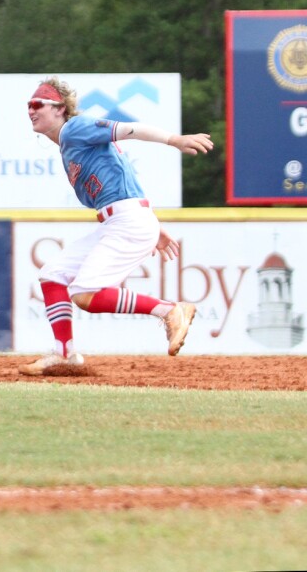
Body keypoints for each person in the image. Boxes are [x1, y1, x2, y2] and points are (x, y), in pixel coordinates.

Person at [21, 77, 213, 375]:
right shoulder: (68, 146)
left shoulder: (75, 128)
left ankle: (170, 310)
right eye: (28, 106)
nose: (31, 110)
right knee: (52, 275)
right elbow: (123, 176)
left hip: (127, 221)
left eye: (37, 104)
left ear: (60, 109)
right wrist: (154, 224)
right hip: (121, 219)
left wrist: (174, 140)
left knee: (85, 294)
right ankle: (64, 353)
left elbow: (130, 129)